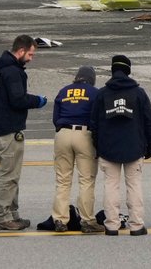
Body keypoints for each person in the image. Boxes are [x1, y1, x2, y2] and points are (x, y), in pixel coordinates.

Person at [0, 34, 48, 231]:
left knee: (12, 175)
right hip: (8, 131)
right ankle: (3, 216)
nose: (31, 58)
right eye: (30, 54)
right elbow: (18, 100)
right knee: (9, 176)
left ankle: (13, 213)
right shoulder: (13, 73)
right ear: (20, 51)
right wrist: (37, 101)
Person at [91, 54, 151, 236]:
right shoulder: (139, 93)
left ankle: (111, 225)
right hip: (134, 146)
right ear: (128, 70)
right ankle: (136, 225)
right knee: (134, 185)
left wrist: (98, 146)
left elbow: (93, 123)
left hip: (108, 147)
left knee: (111, 185)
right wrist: (149, 146)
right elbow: (149, 121)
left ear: (112, 70)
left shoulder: (102, 93)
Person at [50, 65, 103, 233]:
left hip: (63, 133)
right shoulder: (95, 93)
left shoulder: (64, 91)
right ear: (92, 79)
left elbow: (55, 117)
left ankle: (60, 219)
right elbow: (97, 118)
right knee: (86, 179)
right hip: (84, 134)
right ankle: (87, 220)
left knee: (62, 180)